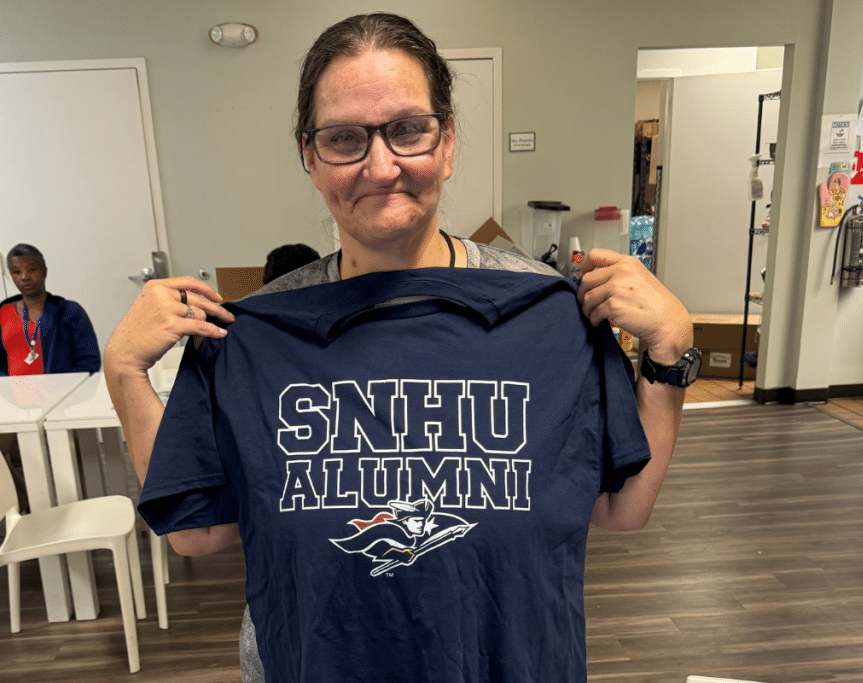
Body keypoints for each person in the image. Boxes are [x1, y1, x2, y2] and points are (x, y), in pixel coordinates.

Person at [104, 13, 695, 682]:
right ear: (309, 155)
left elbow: (622, 508)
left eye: (408, 130)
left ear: (447, 142)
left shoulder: (550, 316)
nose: (381, 166)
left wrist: (671, 352)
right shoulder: (253, 336)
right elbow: (196, 531)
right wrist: (124, 370)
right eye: (344, 138)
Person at [0, 243, 101, 377]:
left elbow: (89, 360)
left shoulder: (70, 312)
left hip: (65, 390)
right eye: (17, 272)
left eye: (32, 270)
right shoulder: (1, 314)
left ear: (44, 271)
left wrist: (64, 386)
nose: (24, 277)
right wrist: (5, 386)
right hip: (13, 391)